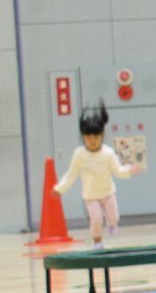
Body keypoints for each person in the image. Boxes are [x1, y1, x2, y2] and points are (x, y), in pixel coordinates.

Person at [54, 102, 144, 247]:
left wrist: (129, 170)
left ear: (102, 135)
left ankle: (112, 225)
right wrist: (60, 188)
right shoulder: (79, 154)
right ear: (83, 137)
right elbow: (71, 174)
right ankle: (97, 241)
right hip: (90, 195)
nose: (92, 141)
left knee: (114, 217)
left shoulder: (108, 153)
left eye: (96, 137)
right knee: (96, 220)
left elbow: (118, 171)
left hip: (108, 192)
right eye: (88, 138)